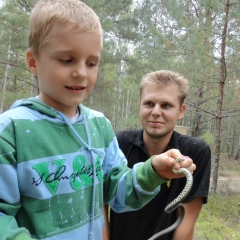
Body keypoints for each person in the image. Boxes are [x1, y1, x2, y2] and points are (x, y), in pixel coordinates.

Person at [0, 1, 196, 240]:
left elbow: (118, 192)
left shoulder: (99, 126)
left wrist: (153, 171)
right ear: (32, 61)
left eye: (91, 63)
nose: (81, 72)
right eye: (66, 60)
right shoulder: (11, 131)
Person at [110, 70, 211, 240]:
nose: (156, 112)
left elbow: (185, 222)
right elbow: (102, 206)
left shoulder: (196, 151)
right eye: (149, 103)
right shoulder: (119, 143)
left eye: (166, 105)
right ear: (139, 105)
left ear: (181, 111)